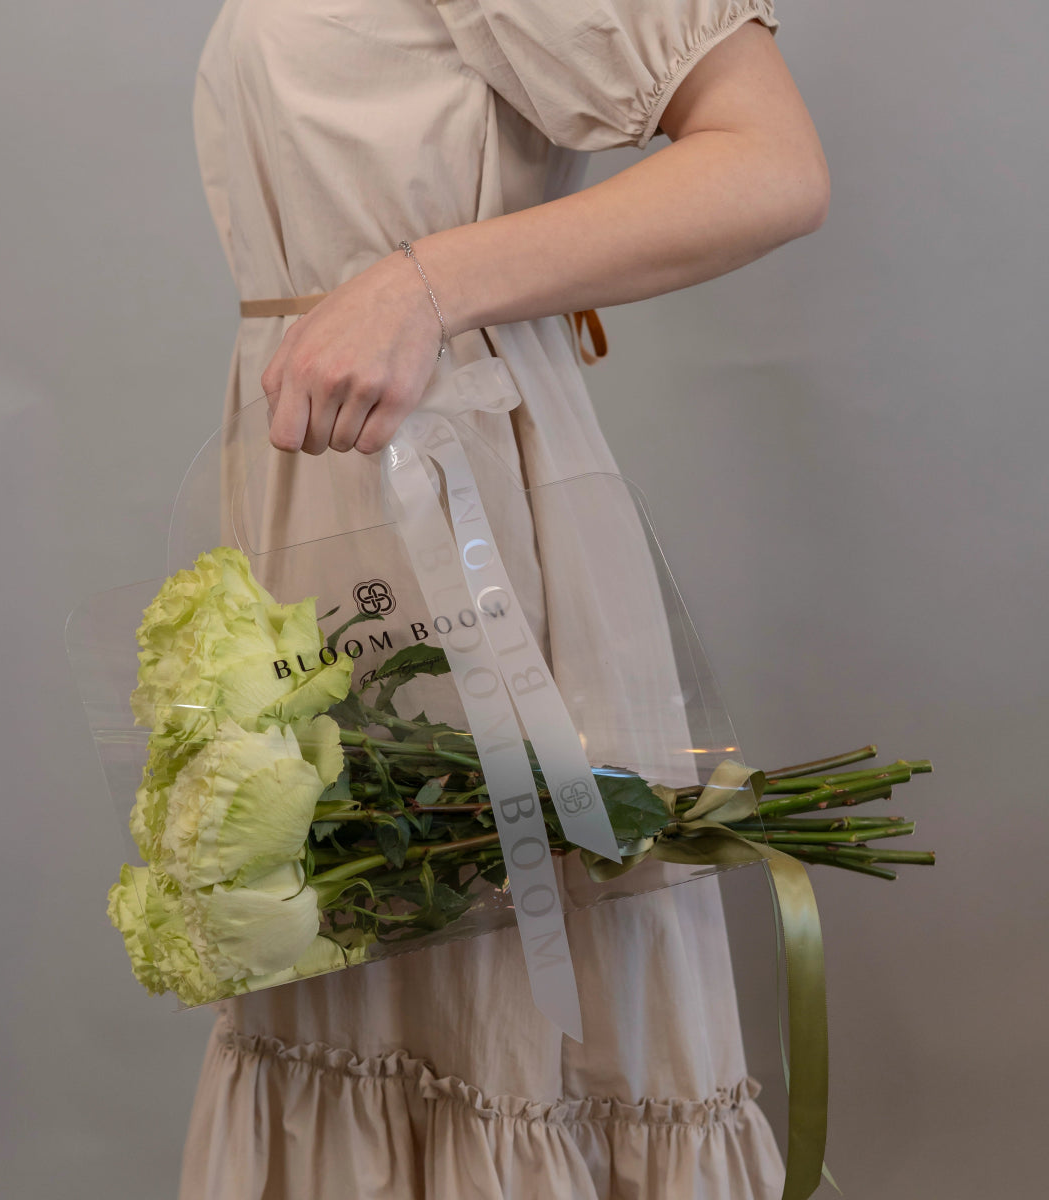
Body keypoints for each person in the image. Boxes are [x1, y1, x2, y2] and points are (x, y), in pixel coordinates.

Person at [180, 2, 829, 1197]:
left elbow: (770, 160)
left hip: (455, 508)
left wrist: (423, 286)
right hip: (326, 498)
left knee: (504, 1010)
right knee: (366, 992)